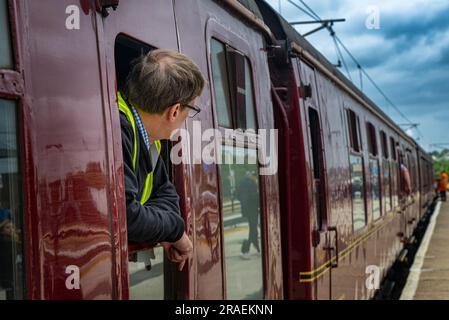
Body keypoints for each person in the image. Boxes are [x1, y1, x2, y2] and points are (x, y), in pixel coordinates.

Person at [118, 49, 204, 270]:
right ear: (175, 111)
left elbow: (166, 194)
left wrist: (160, 226)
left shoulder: (150, 140)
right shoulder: (119, 129)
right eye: (191, 108)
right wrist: (174, 231)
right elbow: (124, 214)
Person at [236, 171, 260, 259]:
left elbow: (238, 195)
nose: (256, 178)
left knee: (254, 229)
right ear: (252, 177)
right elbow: (255, 197)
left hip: (246, 210)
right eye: (255, 177)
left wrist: (244, 203)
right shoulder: (253, 184)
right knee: (253, 229)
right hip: (253, 210)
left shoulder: (242, 183)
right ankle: (245, 251)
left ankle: (258, 249)